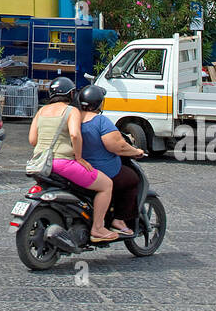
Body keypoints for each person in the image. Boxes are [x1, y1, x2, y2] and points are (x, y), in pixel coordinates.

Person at [27, 78, 120, 243]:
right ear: (71, 94)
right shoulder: (71, 111)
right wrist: (79, 158)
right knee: (106, 185)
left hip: (40, 164)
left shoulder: (41, 111)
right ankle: (98, 228)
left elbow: (33, 140)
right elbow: (75, 135)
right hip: (63, 164)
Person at [75, 85, 147, 237]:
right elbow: (117, 146)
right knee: (131, 179)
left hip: (78, 169)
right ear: (99, 103)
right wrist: (136, 151)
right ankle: (119, 220)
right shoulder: (100, 120)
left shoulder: (74, 119)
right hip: (102, 170)